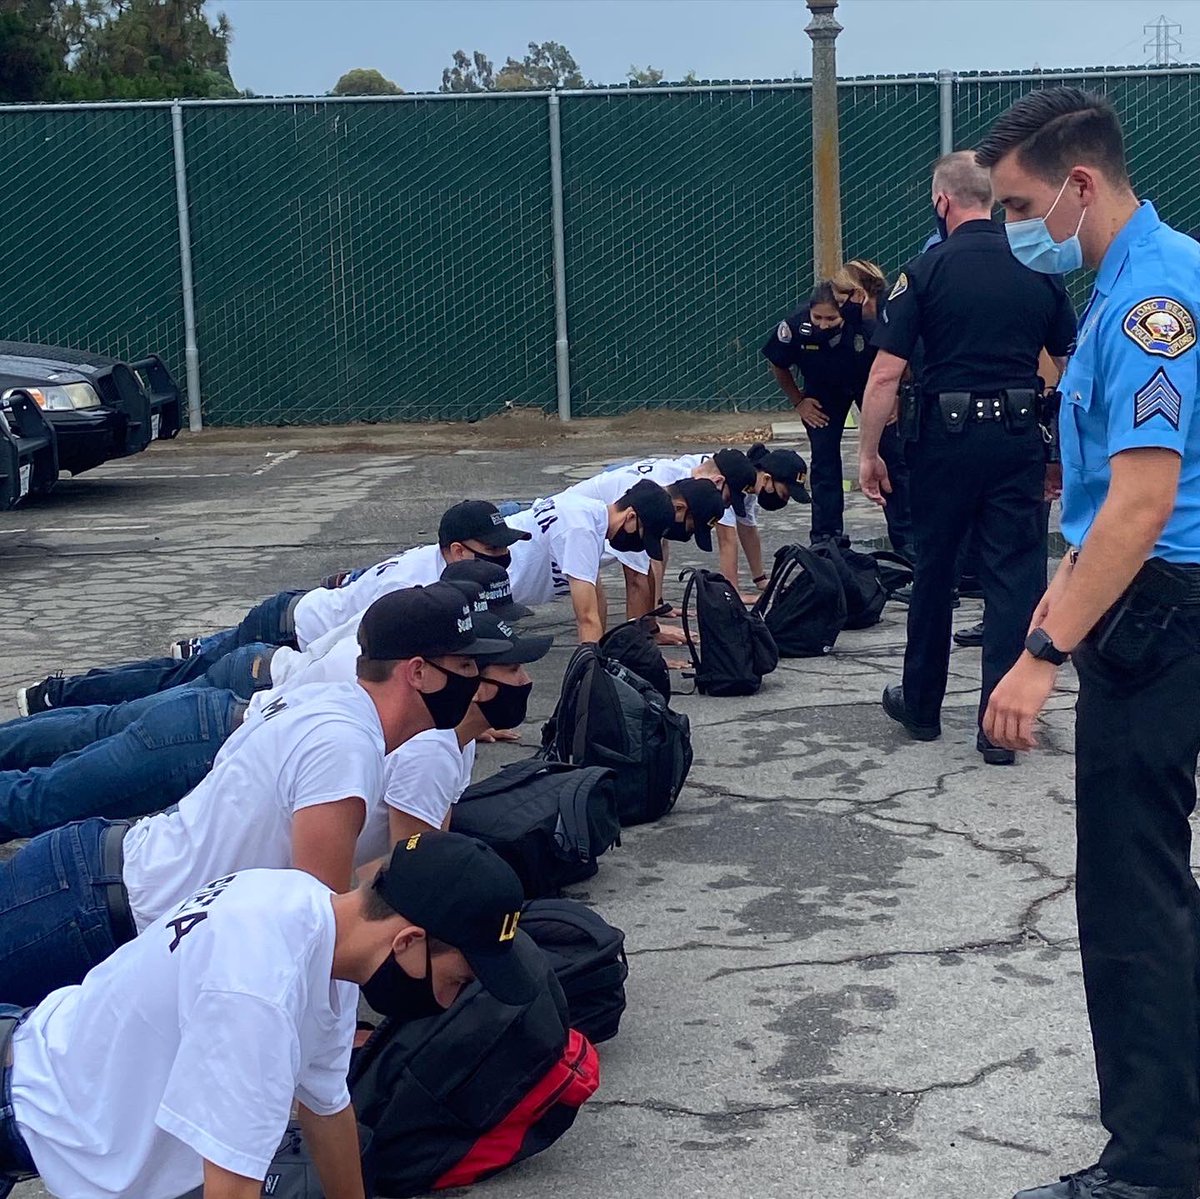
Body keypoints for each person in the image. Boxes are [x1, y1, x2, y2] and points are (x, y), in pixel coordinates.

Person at [977, 87, 1200, 1199]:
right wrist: (1057, 598)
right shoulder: (1134, 276)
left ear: (1079, 183)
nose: (1014, 227)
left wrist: (1042, 652)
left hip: (1162, 608)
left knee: (1130, 895)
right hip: (1151, 594)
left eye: (1020, 205)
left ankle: (1155, 1166)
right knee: (1149, 883)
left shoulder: (1153, 297)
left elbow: (1142, 501)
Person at [0, 584, 511, 1007]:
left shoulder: (331, 704)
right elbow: (317, 923)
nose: (474, 682)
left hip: (97, 879)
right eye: (466, 666)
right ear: (418, 672)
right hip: (95, 911)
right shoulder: (345, 747)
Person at [0, 832, 536, 1199]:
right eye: (457, 981)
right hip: (35, 1110)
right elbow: (231, 1189)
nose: (448, 1002)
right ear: (408, 942)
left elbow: (327, 1106)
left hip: (47, 1066)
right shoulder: (259, 992)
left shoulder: (316, 920)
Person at [858, 149, 1076, 767]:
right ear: (995, 198)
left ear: (942, 201)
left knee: (935, 571)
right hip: (1017, 440)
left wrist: (869, 453)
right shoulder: (1037, 266)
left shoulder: (925, 270)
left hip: (944, 445)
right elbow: (1071, 365)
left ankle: (922, 707)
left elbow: (885, 374)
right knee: (1013, 576)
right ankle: (998, 728)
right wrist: (1062, 454)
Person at [15, 500, 530, 715]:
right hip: (287, 632)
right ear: (457, 551)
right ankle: (59, 695)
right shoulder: (415, 587)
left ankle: (200, 650)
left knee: (186, 673)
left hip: (293, 623)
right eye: (493, 549)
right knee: (174, 684)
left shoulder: (436, 575)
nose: (504, 557)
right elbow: (346, 648)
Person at [763, 280, 912, 555]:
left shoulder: (866, 323)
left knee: (892, 455)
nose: (822, 324)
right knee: (824, 460)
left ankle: (906, 537)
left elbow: (900, 358)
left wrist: (895, 398)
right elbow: (777, 362)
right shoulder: (795, 326)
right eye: (817, 317)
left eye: (830, 318)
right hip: (823, 393)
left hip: (869, 386)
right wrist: (799, 402)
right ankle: (826, 537)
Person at [505, 478, 676, 642]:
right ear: (630, 516)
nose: (639, 545)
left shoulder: (590, 516)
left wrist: (601, 651)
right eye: (642, 536)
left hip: (502, 588)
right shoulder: (581, 531)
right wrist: (593, 659)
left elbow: (595, 596)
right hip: (492, 588)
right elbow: (587, 618)